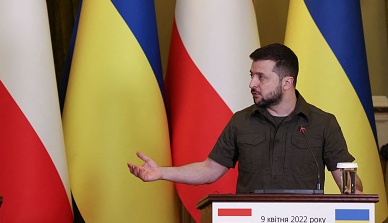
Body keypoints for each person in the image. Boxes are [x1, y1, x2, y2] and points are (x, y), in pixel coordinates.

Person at [128, 43, 363, 194]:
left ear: (287, 82)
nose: (252, 83)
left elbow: (346, 180)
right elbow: (210, 169)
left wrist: (355, 193)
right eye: (251, 76)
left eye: (261, 77)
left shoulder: (323, 123)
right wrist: (161, 172)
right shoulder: (241, 122)